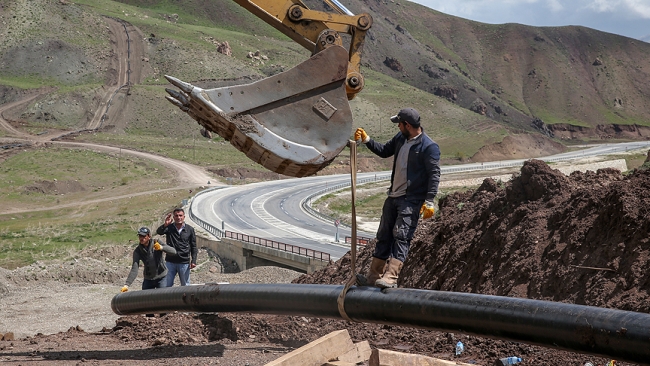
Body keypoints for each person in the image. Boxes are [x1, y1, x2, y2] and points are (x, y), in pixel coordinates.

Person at [354, 108, 441, 289]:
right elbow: (385, 151)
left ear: (407, 125)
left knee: (401, 236)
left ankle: (391, 278)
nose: (398, 126)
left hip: (411, 200)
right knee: (384, 235)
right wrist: (367, 140)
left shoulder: (428, 147)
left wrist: (430, 200)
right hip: (393, 197)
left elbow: (434, 174)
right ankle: (373, 277)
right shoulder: (400, 139)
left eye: (399, 124)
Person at [121, 227, 177, 293]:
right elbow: (134, 269)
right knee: (145, 299)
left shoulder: (156, 242)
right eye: (140, 236)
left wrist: (161, 247)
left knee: (162, 297)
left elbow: (173, 252)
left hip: (161, 277)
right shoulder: (137, 251)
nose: (142, 238)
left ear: (149, 236)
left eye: (144, 236)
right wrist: (127, 285)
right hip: (148, 279)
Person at [156, 208, 197, 286]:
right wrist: (165, 225)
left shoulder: (190, 229)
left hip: (184, 262)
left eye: (180, 215)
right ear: (174, 218)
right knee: (167, 285)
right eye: (176, 216)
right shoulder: (169, 228)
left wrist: (194, 260)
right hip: (170, 262)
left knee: (185, 286)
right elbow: (159, 232)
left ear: (184, 217)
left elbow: (193, 246)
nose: (179, 217)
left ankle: (185, 298)